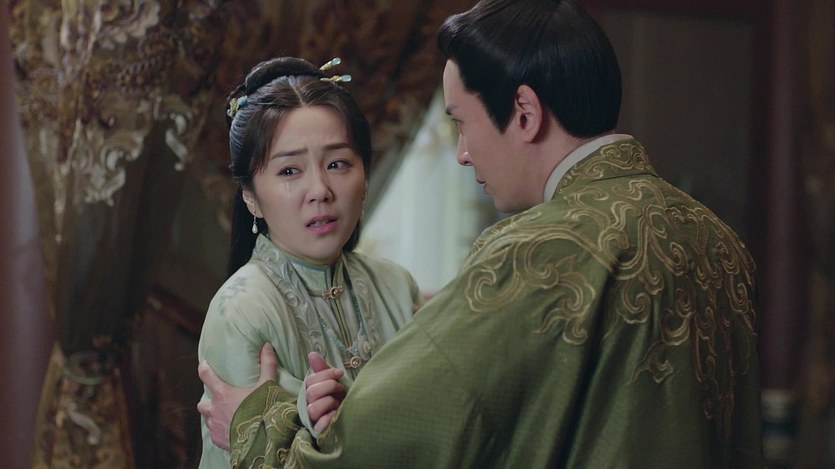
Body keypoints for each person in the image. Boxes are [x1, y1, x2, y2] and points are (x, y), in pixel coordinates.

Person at [198, 1, 764, 467]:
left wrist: (257, 421)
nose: (463, 154)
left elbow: (408, 441)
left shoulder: (532, 252)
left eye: (462, 123)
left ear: (524, 113)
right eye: (289, 171)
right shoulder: (717, 240)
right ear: (251, 191)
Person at [195, 56, 423, 468]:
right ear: (250, 197)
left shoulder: (395, 286)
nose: (320, 189)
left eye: (337, 164)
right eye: (289, 171)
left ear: (364, 176)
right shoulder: (241, 311)